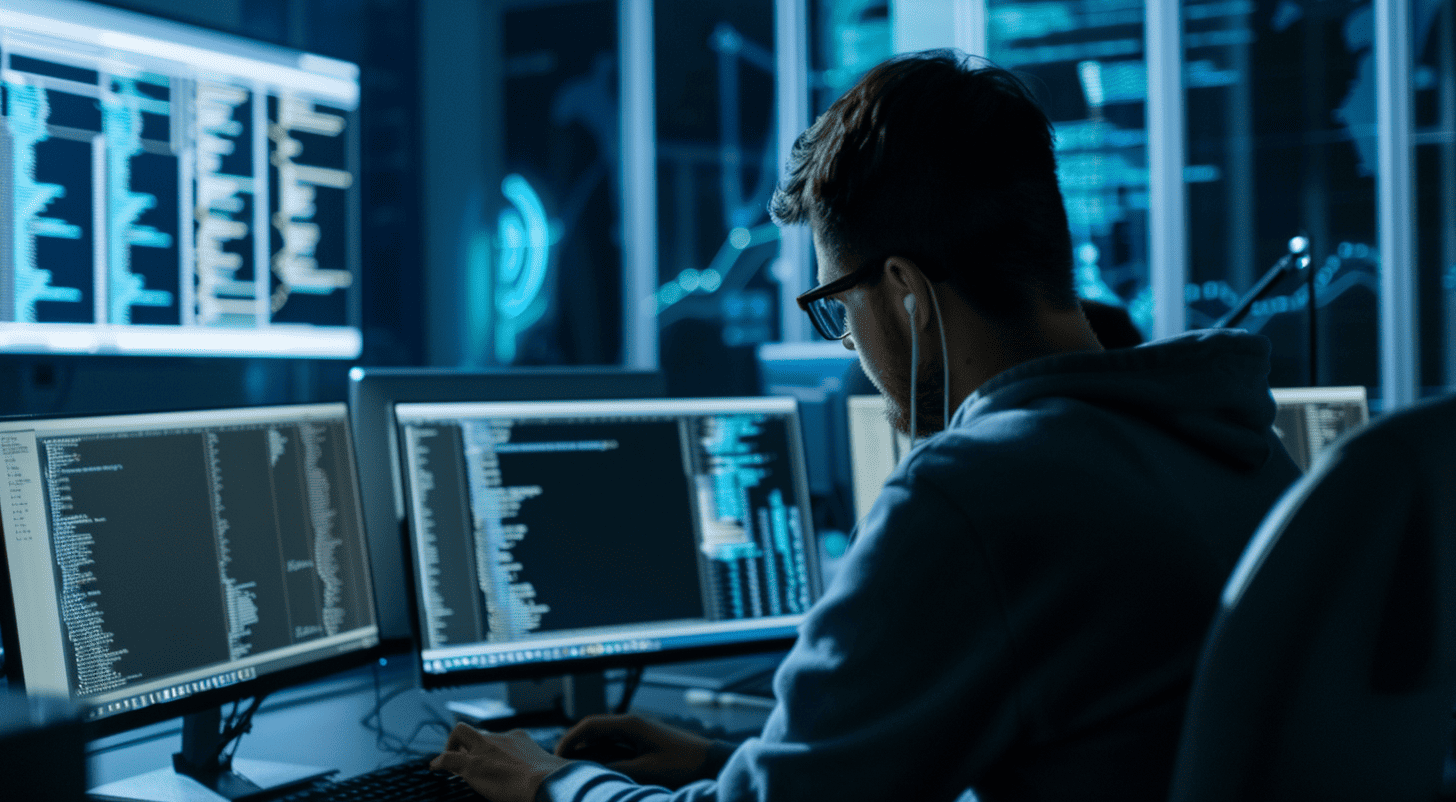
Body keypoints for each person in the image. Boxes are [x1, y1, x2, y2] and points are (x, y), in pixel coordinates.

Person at [430, 50, 1302, 802]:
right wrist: (729, 761)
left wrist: (552, 783)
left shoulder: (974, 495)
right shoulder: (1231, 443)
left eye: (837, 309)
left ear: (907, 294)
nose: (849, 346)